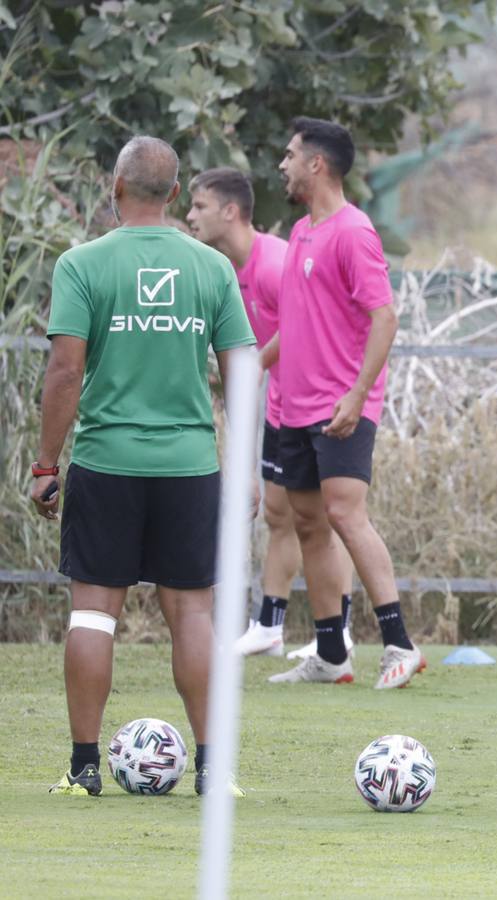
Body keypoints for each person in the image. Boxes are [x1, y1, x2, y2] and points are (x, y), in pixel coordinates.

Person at [33, 136, 257, 796]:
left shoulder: (83, 263)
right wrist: (242, 463)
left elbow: (65, 369)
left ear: (116, 187)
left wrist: (47, 463)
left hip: (107, 462)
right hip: (189, 467)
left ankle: (83, 768)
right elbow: (242, 366)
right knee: (193, 616)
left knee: (93, 614)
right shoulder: (210, 268)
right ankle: (214, 769)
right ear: (176, 195)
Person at [261, 117, 423, 688]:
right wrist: (250, 365)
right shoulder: (303, 231)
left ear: (316, 164)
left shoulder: (353, 231)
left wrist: (357, 396)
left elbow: (386, 317)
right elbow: (297, 323)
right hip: (295, 407)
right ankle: (332, 655)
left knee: (345, 514)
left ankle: (400, 644)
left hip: (341, 405)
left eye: (289, 154)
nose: (281, 164)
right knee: (308, 522)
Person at [186, 167, 357, 659]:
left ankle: (339, 632)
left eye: (199, 206)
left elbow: (303, 324)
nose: (191, 215)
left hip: (313, 406)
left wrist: (253, 365)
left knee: (327, 519)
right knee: (279, 515)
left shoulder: (273, 261)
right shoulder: (228, 270)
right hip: (279, 407)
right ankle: (269, 625)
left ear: (231, 211)